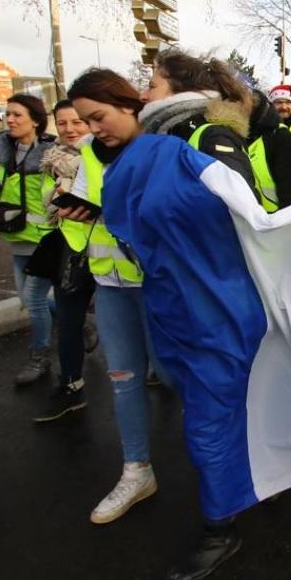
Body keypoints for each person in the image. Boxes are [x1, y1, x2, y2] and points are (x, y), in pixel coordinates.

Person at [62, 70, 185, 536]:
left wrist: (106, 213)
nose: (94, 129)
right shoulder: (87, 155)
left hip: (158, 284)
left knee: (175, 374)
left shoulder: (161, 149)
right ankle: (137, 471)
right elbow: (83, 220)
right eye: (85, 121)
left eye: (99, 117)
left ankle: (226, 458)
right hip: (109, 284)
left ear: (129, 105)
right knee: (123, 379)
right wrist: (72, 210)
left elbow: (172, 215)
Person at [0, 94, 58, 385]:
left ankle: (39, 357)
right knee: (30, 301)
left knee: (33, 299)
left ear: (36, 121)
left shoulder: (50, 154)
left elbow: (53, 197)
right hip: (17, 237)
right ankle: (82, 322)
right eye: (8, 115)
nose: (10, 120)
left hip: (44, 239)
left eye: (17, 115)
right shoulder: (7, 153)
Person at [32, 100, 97, 422]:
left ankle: (156, 370)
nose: (70, 129)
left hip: (111, 253)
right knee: (69, 324)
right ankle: (71, 385)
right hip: (71, 252)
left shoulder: (104, 156)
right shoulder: (52, 162)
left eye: (78, 122)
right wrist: (57, 196)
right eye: (62, 123)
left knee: (138, 325)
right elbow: (48, 208)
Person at [139, 49, 257, 192]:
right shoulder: (173, 133)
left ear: (183, 92)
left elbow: (236, 204)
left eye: (152, 87)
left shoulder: (215, 137)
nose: (143, 96)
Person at [246, 89, 291, 211]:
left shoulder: (280, 134)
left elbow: (289, 187)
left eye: (288, 102)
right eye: (279, 102)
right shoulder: (250, 134)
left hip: (276, 216)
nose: (283, 107)